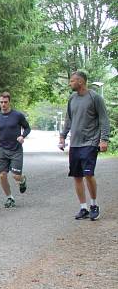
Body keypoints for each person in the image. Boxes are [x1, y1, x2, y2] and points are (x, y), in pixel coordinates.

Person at [59, 71, 110, 221]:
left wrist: (104, 139)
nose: (70, 83)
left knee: (88, 174)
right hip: (75, 143)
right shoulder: (72, 99)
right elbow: (68, 119)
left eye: (72, 81)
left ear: (81, 82)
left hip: (90, 142)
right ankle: (83, 208)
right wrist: (62, 136)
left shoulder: (95, 97)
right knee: (77, 176)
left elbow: (104, 120)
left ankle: (94, 205)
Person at [0, 92, 31, 208]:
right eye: (1, 102)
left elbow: (27, 128)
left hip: (16, 150)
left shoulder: (17, 115)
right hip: (3, 150)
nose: (3, 104)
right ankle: (9, 197)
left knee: (16, 176)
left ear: (9, 102)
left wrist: (22, 136)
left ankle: (22, 180)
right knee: (2, 175)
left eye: (5, 102)